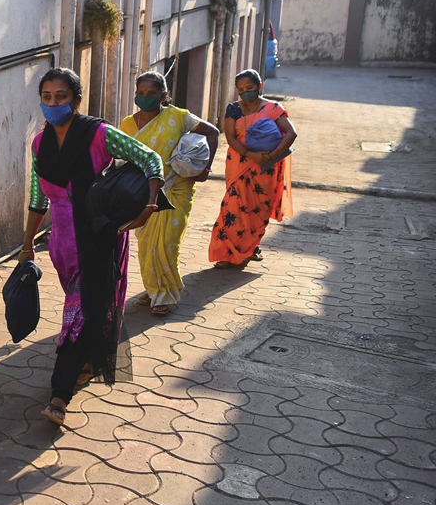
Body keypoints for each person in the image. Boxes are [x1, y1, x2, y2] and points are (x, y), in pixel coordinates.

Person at [18, 68, 163, 426]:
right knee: (84, 305)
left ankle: (59, 394)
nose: (53, 103)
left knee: (79, 310)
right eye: (47, 97)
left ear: (76, 99)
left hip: (98, 236)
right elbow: (39, 199)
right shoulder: (40, 144)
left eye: (61, 96)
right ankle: (85, 358)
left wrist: (148, 205)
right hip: (63, 243)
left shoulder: (99, 134)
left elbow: (150, 160)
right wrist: (26, 245)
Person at [120, 71, 220, 315]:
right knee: (146, 245)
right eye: (140, 93)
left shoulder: (179, 117)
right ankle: (154, 288)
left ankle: (166, 294)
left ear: (163, 95)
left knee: (167, 243)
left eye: (151, 93)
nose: (144, 97)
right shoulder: (127, 124)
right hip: (142, 192)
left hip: (176, 188)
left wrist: (205, 168)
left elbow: (213, 133)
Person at [208, 69, 297, 268]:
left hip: (265, 169)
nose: (245, 92)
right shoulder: (233, 109)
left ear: (259, 86)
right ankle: (227, 253)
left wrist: (270, 157)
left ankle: (250, 248)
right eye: (241, 89)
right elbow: (230, 137)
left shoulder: (273, 108)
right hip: (240, 166)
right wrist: (251, 155)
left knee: (258, 210)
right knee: (232, 208)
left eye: (249, 88)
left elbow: (291, 133)